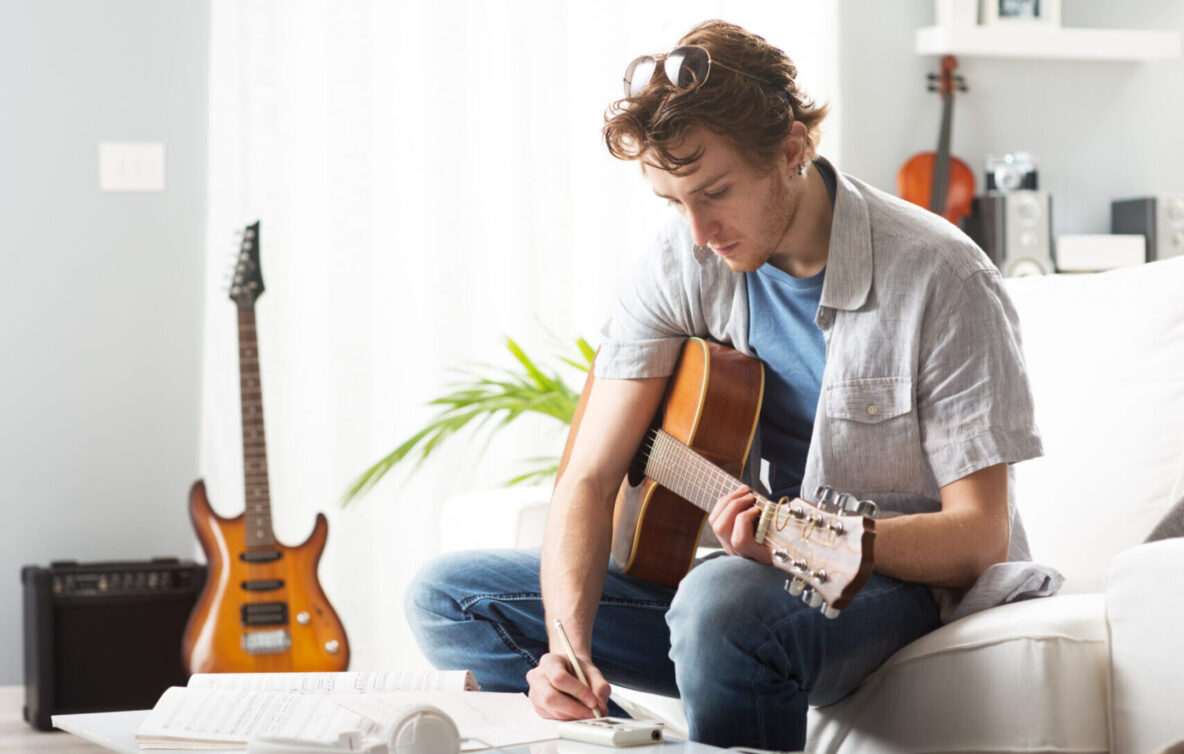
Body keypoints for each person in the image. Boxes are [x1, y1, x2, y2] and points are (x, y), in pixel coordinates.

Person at [406, 19, 1059, 751]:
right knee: (450, 596)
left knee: (717, 601)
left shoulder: (943, 276)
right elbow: (588, 477)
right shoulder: (684, 260)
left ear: (792, 151)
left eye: (715, 192)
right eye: (673, 201)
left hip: (900, 591)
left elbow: (978, 535)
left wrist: (806, 539)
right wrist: (567, 648)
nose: (697, 232)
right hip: (762, 583)